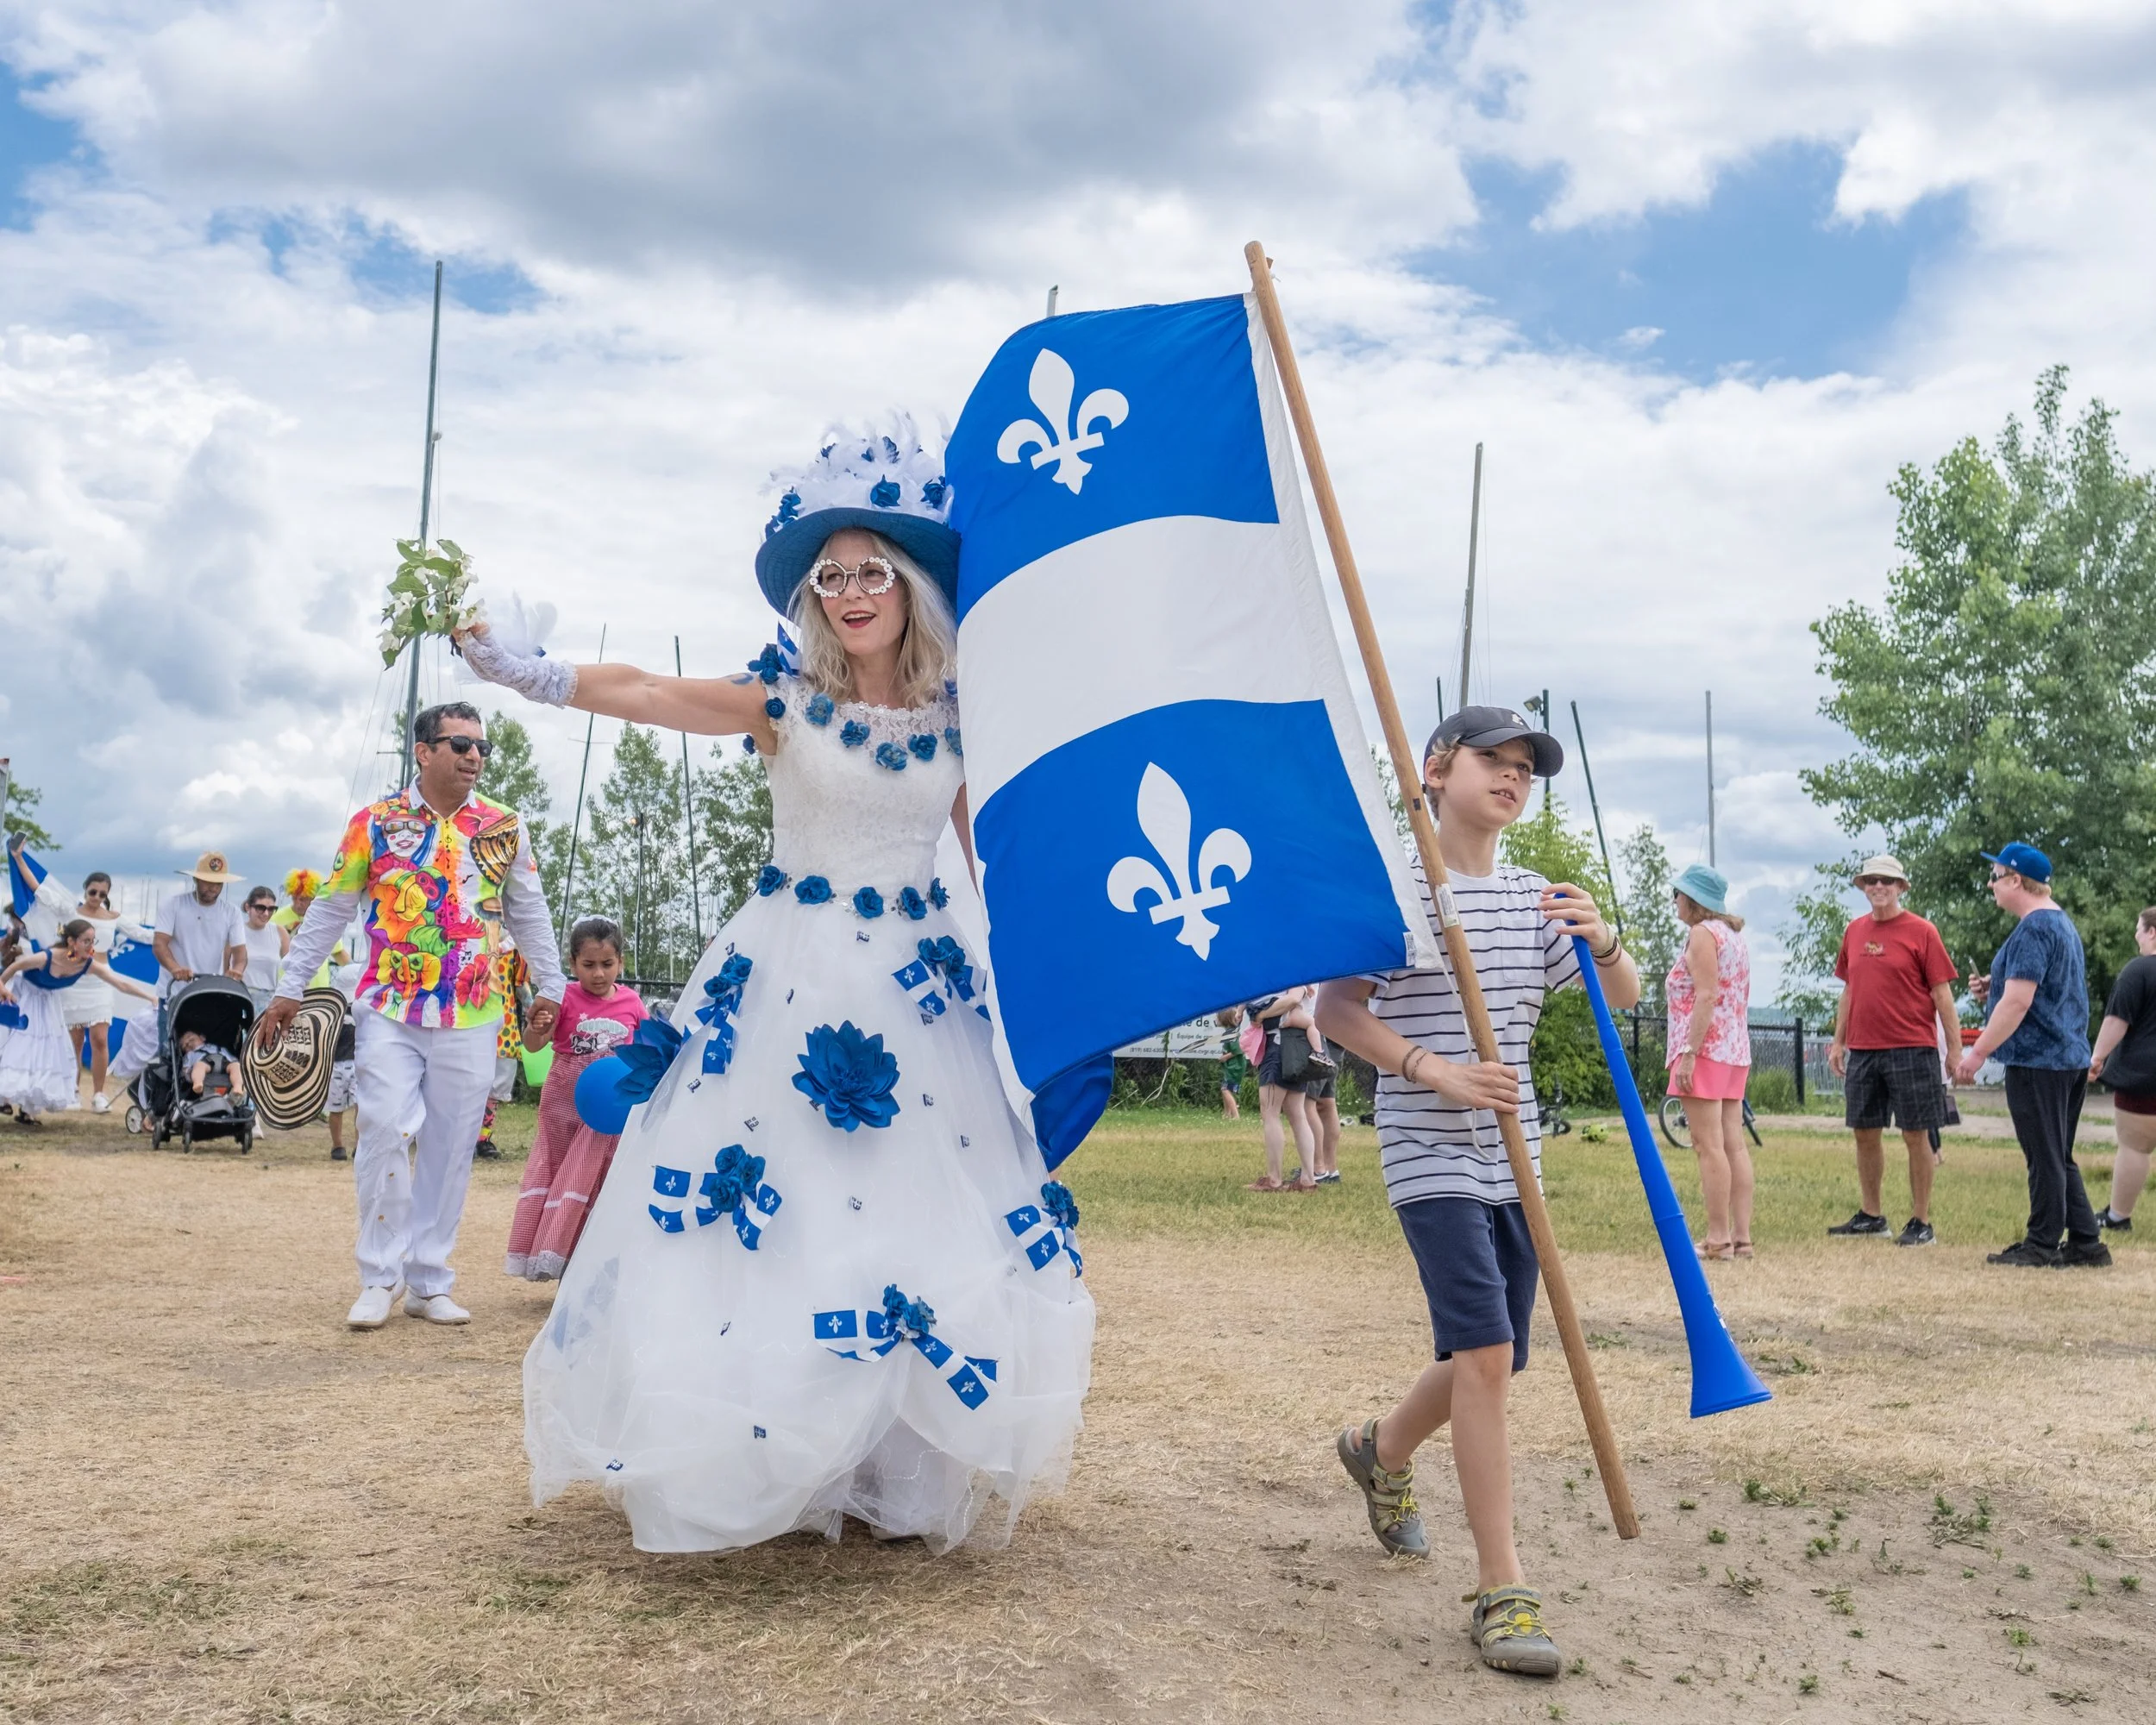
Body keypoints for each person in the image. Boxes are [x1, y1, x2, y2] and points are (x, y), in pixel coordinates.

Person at [456, 422, 1093, 1554]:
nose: (851, 592)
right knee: (779, 1216)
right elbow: (651, 689)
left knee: (910, 1212)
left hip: (922, 996)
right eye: (831, 574)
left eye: (871, 571)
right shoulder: (781, 697)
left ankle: (895, 1459)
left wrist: (1071, 965)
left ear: (909, 585)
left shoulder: (958, 716)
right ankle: (782, 1457)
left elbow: (997, 856)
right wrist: (530, 673)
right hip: (783, 985)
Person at [1315, 705, 1641, 1678]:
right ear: (1436, 766)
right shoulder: (1399, 889)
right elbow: (1337, 1011)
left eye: (1524, 769)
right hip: (1429, 1151)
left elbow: (1619, 996)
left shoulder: (1539, 895)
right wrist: (1433, 1069)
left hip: (1516, 1159)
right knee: (1489, 1353)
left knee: (1486, 1359)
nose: (1510, 778)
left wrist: (1604, 937)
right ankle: (1504, 1590)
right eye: (1491, 760)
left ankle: (1378, 1448)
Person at [257, 704, 568, 1327]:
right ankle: (380, 1277)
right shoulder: (374, 823)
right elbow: (330, 910)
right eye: (460, 744)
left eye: (482, 746)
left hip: (475, 1011)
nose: (475, 756)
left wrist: (551, 988)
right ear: (424, 752)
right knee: (384, 1128)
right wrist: (290, 987)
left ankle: (430, 1280)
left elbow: (528, 910)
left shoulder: (504, 826)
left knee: (452, 1147)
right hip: (390, 1008)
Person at [1954, 843, 2109, 1269]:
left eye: (1996, 876)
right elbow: (2044, 988)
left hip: (2040, 1061)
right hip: (2069, 1056)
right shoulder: (2058, 922)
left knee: (2044, 1155)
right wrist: (1995, 983)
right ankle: (2087, 1243)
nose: (1991, 885)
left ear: (2016, 880)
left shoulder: (2034, 928)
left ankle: (2041, 1244)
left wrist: (1977, 1053)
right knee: (2058, 1153)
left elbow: (2019, 1004)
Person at [1823, 856, 1960, 1247]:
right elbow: (1849, 989)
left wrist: (1954, 1048)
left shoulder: (1922, 932)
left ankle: (1921, 1221)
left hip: (1912, 1048)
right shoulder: (1854, 931)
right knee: (1864, 1133)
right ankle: (1871, 1215)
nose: (1878, 887)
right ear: (1863, 887)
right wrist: (1838, 1041)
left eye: (1886, 881)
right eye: (1871, 881)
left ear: (1901, 887)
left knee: (1916, 1135)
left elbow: (1942, 993)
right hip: (1864, 1050)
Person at [505, 917, 648, 1280]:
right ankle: (555, 1257)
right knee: (566, 1175)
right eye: (588, 965)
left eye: (607, 964)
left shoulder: (632, 1002)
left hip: (610, 1112)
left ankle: (595, 1263)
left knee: (598, 1177)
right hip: (564, 1106)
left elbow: (648, 1050)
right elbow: (533, 1044)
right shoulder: (563, 998)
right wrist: (535, 1027)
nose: (598, 974)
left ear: (621, 963)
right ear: (572, 964)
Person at [1667, 863, 1755, 1260]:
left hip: (1705, 1049)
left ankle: (1718, 1239)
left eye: (1678, 894)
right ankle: (1742, 1238)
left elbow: (1706, 996)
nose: (1675, 901)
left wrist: (1689, 1053)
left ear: (1694, 900)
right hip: (1735, 1050)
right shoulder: (1733, 935)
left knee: (1708, 1146)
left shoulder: (1702, 935)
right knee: (1734, 1145)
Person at [0, 920, 158, 1126]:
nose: (90, 945)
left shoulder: (87, 964)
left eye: (93, 941)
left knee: (46, 1052)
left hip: (49, 1002)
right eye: (86, 941)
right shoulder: (46, 957)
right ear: (71, 941)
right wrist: (3, 988)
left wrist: (151, 997)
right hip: (25, 997)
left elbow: (120, 983)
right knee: (21, 1047)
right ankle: (4, 1097)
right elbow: (12, 968)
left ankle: (28, 1109)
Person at [2090, 907, 2156, 1233]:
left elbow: (2117, 1020)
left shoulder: (2139, 970)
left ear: (2153, 932)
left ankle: (2117, 1217)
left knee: (2135, 1146)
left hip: (2142, 1078)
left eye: (2139, 929)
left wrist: (2097, 1058)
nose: (2135, 935)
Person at [64, 872, 152, 1113]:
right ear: (85, 890)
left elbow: (142, 934)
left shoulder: (113, 917)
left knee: (100, 1038)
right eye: (93, 892)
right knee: (75, 1040)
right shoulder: (71, 913)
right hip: (74, 981)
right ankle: (71, 1090)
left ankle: (98, 1094)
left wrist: (172, 937)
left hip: (101, 980)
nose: (97, 897)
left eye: (103, 894)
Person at [1248, 986, 1319, 1192]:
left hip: (1278, 1048)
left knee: (1270, 1113)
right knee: (1298, 1115)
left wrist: (1260, 1015)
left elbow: (1291, 1000)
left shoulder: (1294, 975)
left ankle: (1274, 1179)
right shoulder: (1304, 975)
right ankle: (1307, 1179)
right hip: (1294, 1049)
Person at [240, 886, 287, 1013]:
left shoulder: (280, 932)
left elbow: (291, 968)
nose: (266, 913)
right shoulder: (237, 931)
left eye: (271, 909)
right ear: (248, 907)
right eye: (260, 908)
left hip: (271, 1002)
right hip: (242, 998)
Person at [178, 1028, 246, 1101]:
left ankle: (237, 1087)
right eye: (184, 1046)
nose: (187, 1042)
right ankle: (198, 1082)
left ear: (202, 1038)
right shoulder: (190, 1055)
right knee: (199, 1067)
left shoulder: (219, 1048)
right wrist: (188, 1073)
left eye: (190, 1038)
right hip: (204, 1063)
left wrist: (235, 1063)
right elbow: (185, 1069)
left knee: (236, 1066)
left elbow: (232, 1059)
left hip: (223, 1061)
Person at [1215, 1006, 1247, 1120]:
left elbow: (1238, 1050)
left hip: (1235, 1066)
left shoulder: (1231, 1034)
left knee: (1226, 1089)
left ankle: (1235, 1115)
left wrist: (1225, 1057)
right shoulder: (1229, 1033)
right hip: (1231, 1066)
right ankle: (1227, 1113)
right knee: (1225, 1088)